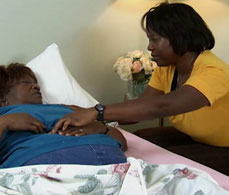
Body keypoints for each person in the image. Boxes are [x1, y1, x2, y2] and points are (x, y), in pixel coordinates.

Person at [51, 2, 229, 175]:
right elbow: (142, 105)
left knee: (167, 166)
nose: (149, 47)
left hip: (224, 147)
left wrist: (96, 112)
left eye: (155, 39)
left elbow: (162, 106)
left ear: (179, 36)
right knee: (141, 137)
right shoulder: (167, 68)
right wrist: (97, 123)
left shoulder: (214, 72)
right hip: (194, 137)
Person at [0, 63, 127, 180]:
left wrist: (97, 128)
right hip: (44, 166)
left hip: (113, 161)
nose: (36, 86)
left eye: (36, 82)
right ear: (2, 99)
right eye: (25, 83)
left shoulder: (69, 109)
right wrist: (2, 124)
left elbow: (123, 142)